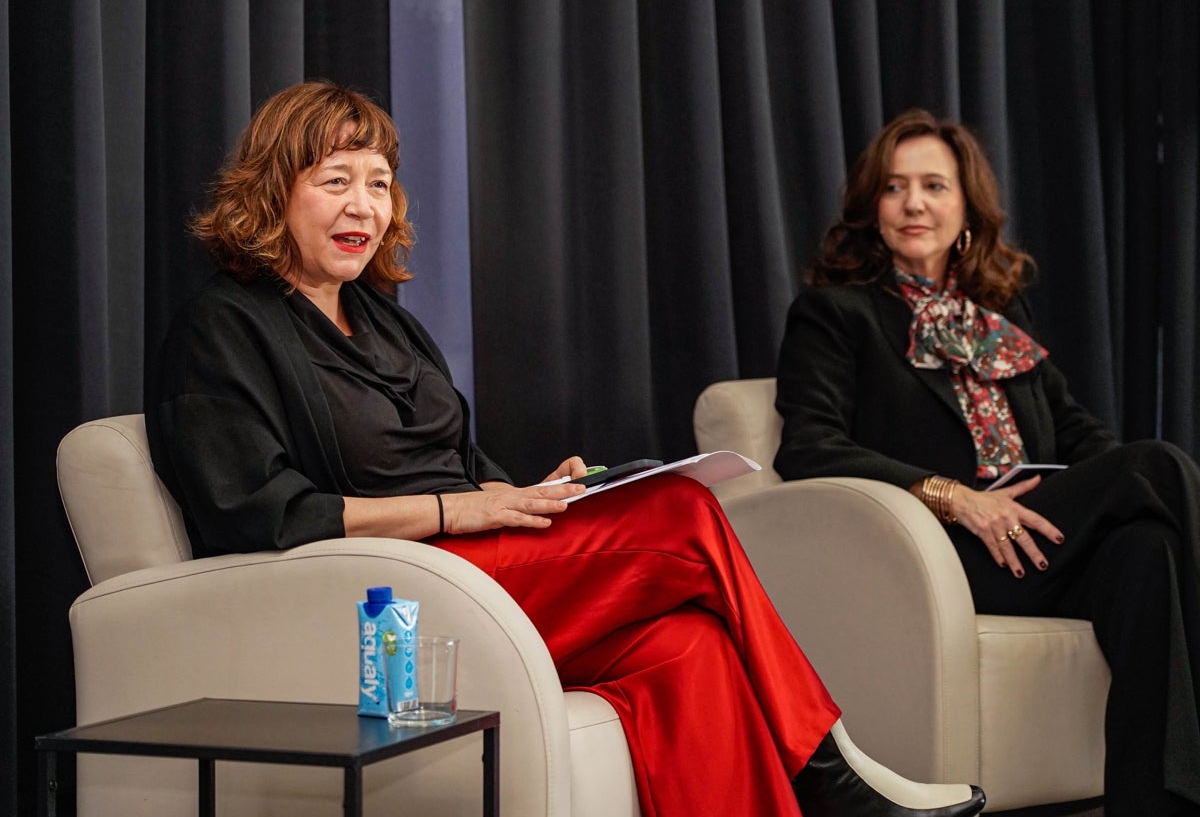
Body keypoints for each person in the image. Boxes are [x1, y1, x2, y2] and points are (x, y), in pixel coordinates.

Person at [147, 81, 987, 817]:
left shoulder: (384, 321)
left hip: (479, 565)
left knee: (688, 644)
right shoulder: (222, 328)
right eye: (335, 182)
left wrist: (535, 495)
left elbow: (462, 466)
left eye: (378, 183)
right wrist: (457, 509)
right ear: (271, 193)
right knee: (684, 511)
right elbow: (257, 515)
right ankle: (833, 768)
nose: (364, 206)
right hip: (387, 608)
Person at [774, 108, 1200, 816]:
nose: (914, 203)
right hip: (942, 555)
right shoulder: (834, 314)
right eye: (894, 187)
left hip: (1037, 543)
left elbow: (1082, 438)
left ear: (966, 207)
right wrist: (955, 496)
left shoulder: (1000, 324)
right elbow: (808, 446)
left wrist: (1100, 484)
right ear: (869, 207)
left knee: (1145, 548)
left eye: (934, 186)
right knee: (1156, 466)